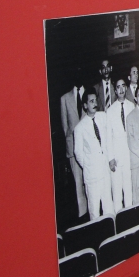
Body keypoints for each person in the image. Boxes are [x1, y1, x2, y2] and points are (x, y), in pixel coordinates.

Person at [73, 92, 113, 220]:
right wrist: (89, 165)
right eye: (91, 101)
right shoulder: (79, 128)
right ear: (85, 105)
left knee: (109, 208)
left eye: (95, 100)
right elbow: (78, 152)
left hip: (105, 172)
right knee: (94, 212)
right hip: (92, 177)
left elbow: (108, 140)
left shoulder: (103, 117)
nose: (95, 104)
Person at [60, 78, 87, 218]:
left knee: (89, 182)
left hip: (88, 147)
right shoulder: (64, 98)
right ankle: (83, 216)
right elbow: (65, 128)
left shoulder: (89, 93)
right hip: (73, 149)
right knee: (78, 186)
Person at [106, 78, 135, 212]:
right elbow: (108, 137)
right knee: (117, 193)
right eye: (118, 87)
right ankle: (119, 221)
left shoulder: (131, 106)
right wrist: (111, 158)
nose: (122, 89)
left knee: (128, 189)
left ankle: (129, 221)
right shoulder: (110, 111)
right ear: (115, 90)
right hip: (116, 159)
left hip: (128, 156)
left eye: (124, 86)